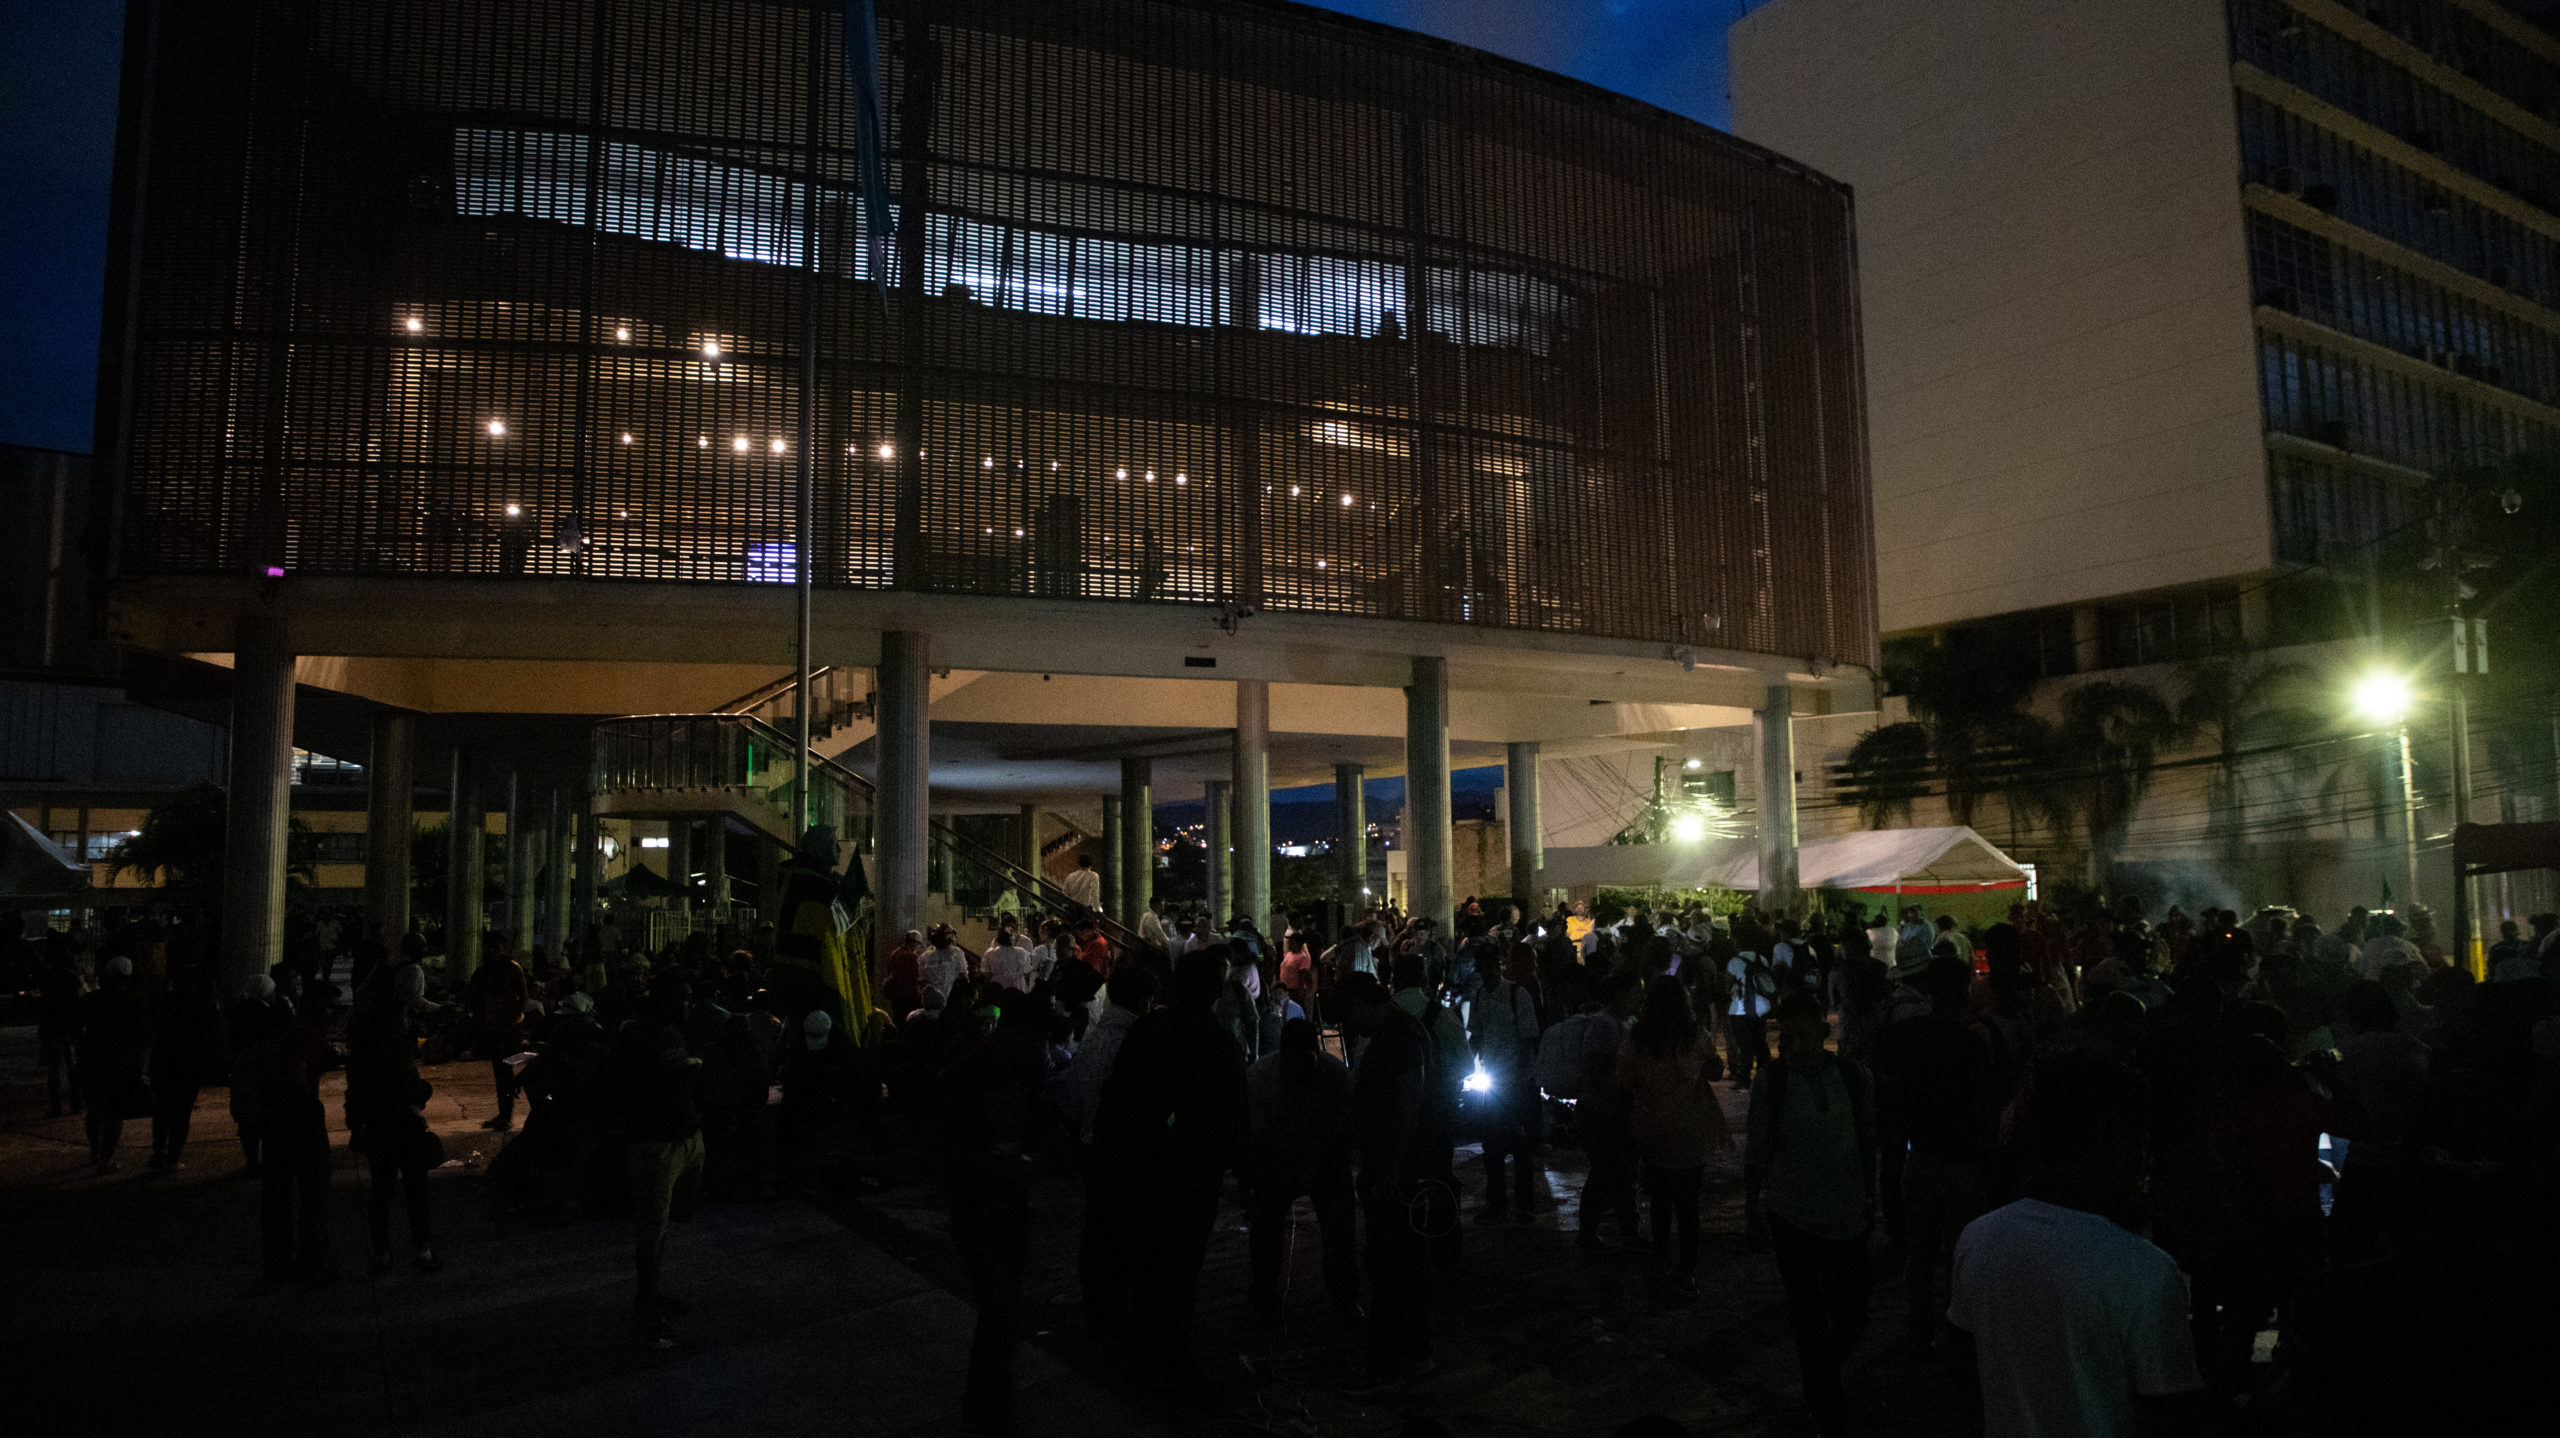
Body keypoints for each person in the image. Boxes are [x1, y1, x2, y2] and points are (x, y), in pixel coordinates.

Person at [1947, 1053, 2204, 1438]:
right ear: (2108, 1137)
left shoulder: (1980, 1237)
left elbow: (1968, 1375)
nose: (2147, 1154)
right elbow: (2169, 1412)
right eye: (2139, 1134)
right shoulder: (2142, 1269)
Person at [1085, 948, 1247, 1380]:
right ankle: (1169, 1353)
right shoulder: (1217, 1043)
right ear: (1214, 990)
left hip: (1141, 1165)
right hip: (1189, 1174)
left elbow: (1118, 1099)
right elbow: (1229, 1118)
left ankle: (1142, 1342)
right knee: (1179, 1268)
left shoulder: (1149, 1030)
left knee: (1145, 1259)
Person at [1745, 993, 1876, 1438]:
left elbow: (1865, 1137)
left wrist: (1869, 1195)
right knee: (1807, 1313)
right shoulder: (1773, 1081)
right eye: (1785, 1036)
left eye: (1802, 1036)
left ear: (1824, 1035)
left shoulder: (1853, 1077)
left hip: (1845, 1210)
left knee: (1853, 1309)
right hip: (1791, 1213)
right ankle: (1824, 1397)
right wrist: (1752, 1204)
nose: (1790, 1046)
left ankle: (1820, 1378)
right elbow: (1759, 1143)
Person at [937, 987, 1046, 1436]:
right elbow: (949, 1145)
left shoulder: (1009, 1068)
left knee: (1002, 1307)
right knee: (1001, 1307)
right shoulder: (978, 1072)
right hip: (983, 1201)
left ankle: (985, 1396)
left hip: (998, 1199)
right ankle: (987, 1400)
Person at [1872, 955, 1993, 1352]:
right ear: (1962, 993)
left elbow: (1885, 1083)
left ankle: (1919, 1327)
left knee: (1920, 1252)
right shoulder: (1972, 1042)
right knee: (1960, 1253)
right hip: (1962, 1160)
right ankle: (1959, 1331)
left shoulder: (1905, 1034)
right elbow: (1982, 1105)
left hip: (1919, 1153)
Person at [1336, 971, 1436, 1390]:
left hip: (1396, 1167)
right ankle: (1410, 1351)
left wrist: (1390, 1164)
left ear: (1363, 1004)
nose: (1350, 1026)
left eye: (1350, 1015)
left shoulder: (1396, 1035)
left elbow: (1408, 1100)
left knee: (1392, 1259)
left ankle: (1391, 1358)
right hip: (1392, 1162)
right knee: (1401, 1258)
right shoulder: (1397, 1030)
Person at [1617, 977, 1730, 1298]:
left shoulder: (1637, 1037)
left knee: (1660, 1201)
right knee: (1688, 1205)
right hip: (1691, 1129)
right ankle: (1687, 1271)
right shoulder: (1694, 1035)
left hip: (1652, 1130)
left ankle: (1660, 1261)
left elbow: (1623, 1082)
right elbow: (1715, 1071)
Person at [1244, 1017, 1360, 1322]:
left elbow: (1344, 1134)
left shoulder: (1336, 1077)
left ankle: (1345, 1298)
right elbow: (1257, 1136)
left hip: (1324, 1159)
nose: (1298, 1070)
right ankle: (1265, 1294)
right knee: (1265, 1231)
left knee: (1340, 1232)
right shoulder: (1260, 1077)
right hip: (1277, 1161)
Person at [616, 984, 706, 1347]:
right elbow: (634, 1085)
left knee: (663, 1221)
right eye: (683, 999)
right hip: (656, 1142)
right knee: (651, 1227)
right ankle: (647, 1307)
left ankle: (651, 1293)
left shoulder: (670, 1033)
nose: (688, 1006)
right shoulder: (638, 1039)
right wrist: (685, 1069)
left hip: (683, 1136)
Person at [348, 959, 440, 1274]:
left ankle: (381, 1254)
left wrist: (355, 1122)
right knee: (415, 1188)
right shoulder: (392, 1036)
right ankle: (423, 1251)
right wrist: (423, 1090)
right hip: (403, 1120)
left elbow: (357, 1082)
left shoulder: (364, 1030)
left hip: (376, 1120)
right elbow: (407, 1083)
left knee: (381, 1190)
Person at [260, 985, 342, 1283]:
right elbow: (297, 1071)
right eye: (332, 1007)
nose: (335, 1014)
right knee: (313, 1195)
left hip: (275, 1124)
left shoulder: (292, 1032)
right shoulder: (306, 1035)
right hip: (299, 1124)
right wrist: (308, 1106)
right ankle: (311, 1264)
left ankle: (278, 1265)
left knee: (278, 1197)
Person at [1465, 942, 1542, 1222]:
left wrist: (1521, 1075)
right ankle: (1501, 1202)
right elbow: (1477, 1035)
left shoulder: (1515, 994)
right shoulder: (1480, 996)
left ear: (1496, 965)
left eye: (1488, 965)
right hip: (1496, 1077)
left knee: (1516, 1145)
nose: (1485, 971)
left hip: (1514, 1080)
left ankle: (1522, 1205)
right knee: (1494, 1144)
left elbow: (1528, 1038)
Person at [147, 963, 228, 1173]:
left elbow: (152, 1029)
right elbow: (216, 1037)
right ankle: (173, 1157)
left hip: (163, 1060)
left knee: (162, 1107)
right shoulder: (205, 1005)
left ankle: (159, 1151)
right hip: (190, 1063)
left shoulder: (165, 1001)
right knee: (181, 1111)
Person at [77, 954, 153, 1174]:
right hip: (121, 1062)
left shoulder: (90, 1001)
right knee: (114, 1111)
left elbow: (76, 1028)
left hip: (93, 1059)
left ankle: (94, 1150)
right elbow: (144, 1036)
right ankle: (106, 1156)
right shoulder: (134, 1002)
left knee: (94, 1108)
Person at [466, 943, 532, 1130]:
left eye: (494, 948)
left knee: (506, 1071)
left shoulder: (511, 969)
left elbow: (523, 998)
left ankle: (506, 1115)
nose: (490, 952)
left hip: (509, 1029)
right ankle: (504, 1114)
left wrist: (510, 1022)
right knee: (500, 1071)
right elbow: (475, 998)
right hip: (493, 1028)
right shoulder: (484, 971)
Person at [37, 944, 85, 1119]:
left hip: (53, 1026)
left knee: (54, 1069)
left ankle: (56, 1106)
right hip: (70, 1026)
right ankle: (76, 1103)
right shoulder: (72, 978)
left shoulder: (47, 977)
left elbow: (43, 1003)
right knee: (73, 1067)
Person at [1724, 943, 1776, 1089]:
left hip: (1741, 1008)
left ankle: (1744, 1078)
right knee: (1760, 1040)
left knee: (1744, 1044)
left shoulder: (1735, 961)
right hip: (1762, 1006)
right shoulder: (1762, 959)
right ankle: (1764, 1074)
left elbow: (1727, 985)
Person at [981, 921, 1035, 993]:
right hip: (1016, 985)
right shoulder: (1021, 953)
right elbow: (1026, 971)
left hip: (998, 984)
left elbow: (986, 972)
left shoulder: (990, 953)